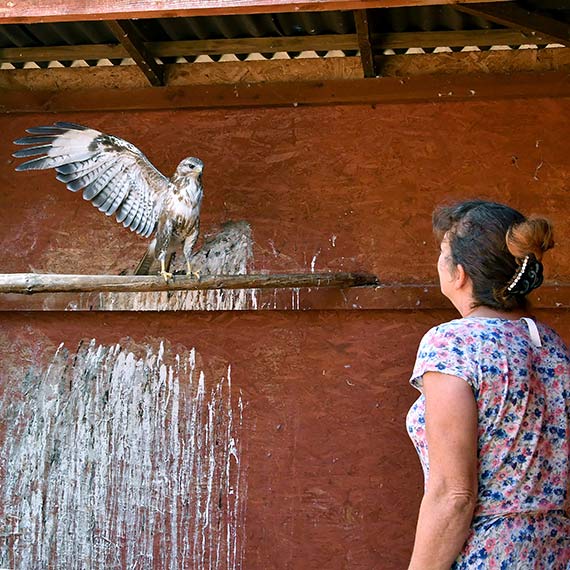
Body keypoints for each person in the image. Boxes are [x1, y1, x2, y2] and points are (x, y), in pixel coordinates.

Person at [406, 200, 570, 569]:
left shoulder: (452, 344)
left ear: (460, 273)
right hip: (555, 552)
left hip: (489, 554)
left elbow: (455, 494)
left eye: (442, 252)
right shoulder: (551, 345)